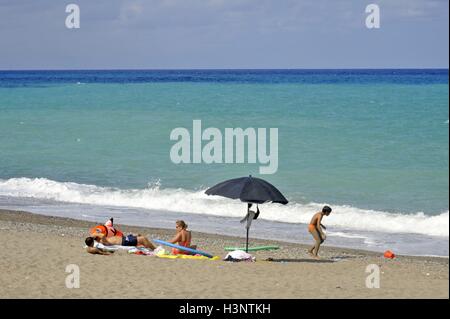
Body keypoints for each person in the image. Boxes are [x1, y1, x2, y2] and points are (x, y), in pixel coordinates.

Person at [85, 231, 156, 255]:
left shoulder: (100, 241)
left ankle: (149, 247)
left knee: (139, 235)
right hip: (124, 242)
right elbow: (102, 235)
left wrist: (94, 236)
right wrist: (96, 235)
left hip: (124, 238)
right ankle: (155, 249)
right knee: (143, 239)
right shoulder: (102, 241)